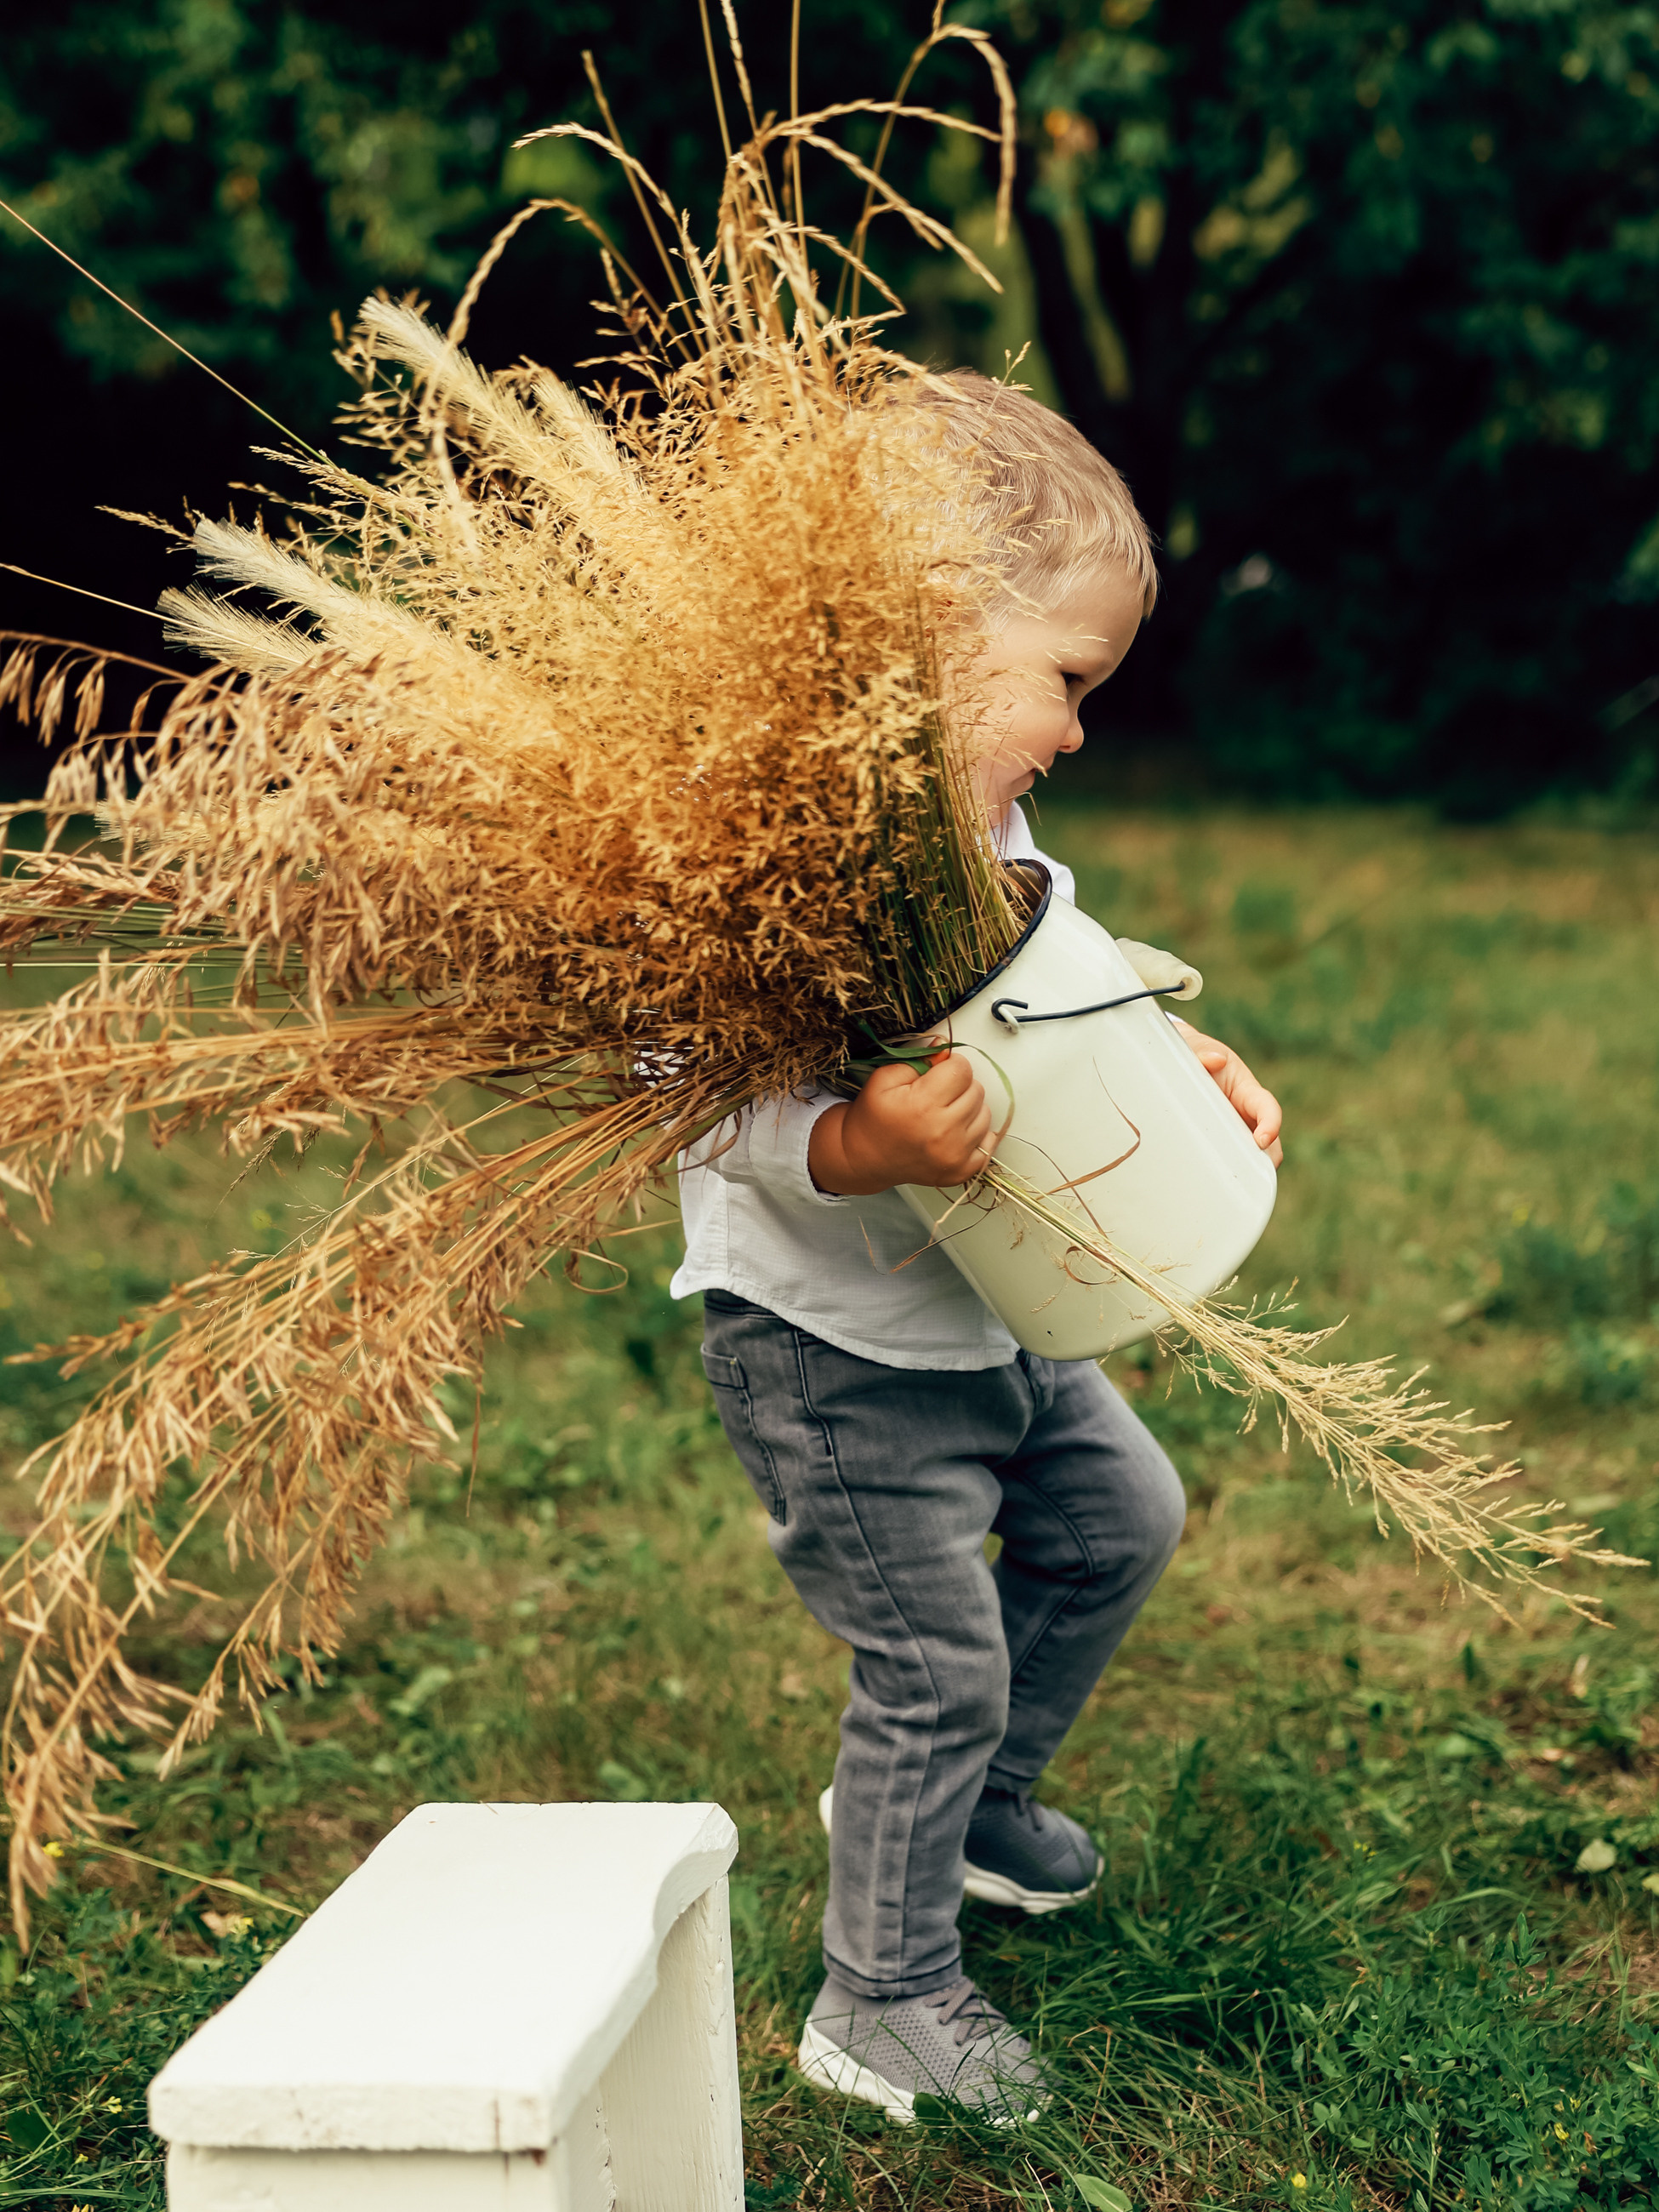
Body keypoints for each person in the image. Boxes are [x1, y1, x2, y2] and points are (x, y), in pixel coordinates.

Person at [671, 373, 1284, 2124]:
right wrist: (857, 1141)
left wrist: (1172, 1045)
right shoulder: (756, 858)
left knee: (1120, 1518)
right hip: (838, 1350)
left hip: (992, 1303)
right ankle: (882, 1992)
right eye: (1066, 679)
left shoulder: (985, 830)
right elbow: (695, 1104)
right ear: (922, 631)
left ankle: (975, 1805)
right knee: (934, 1658)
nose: (1082, 728)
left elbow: (1056, 969)